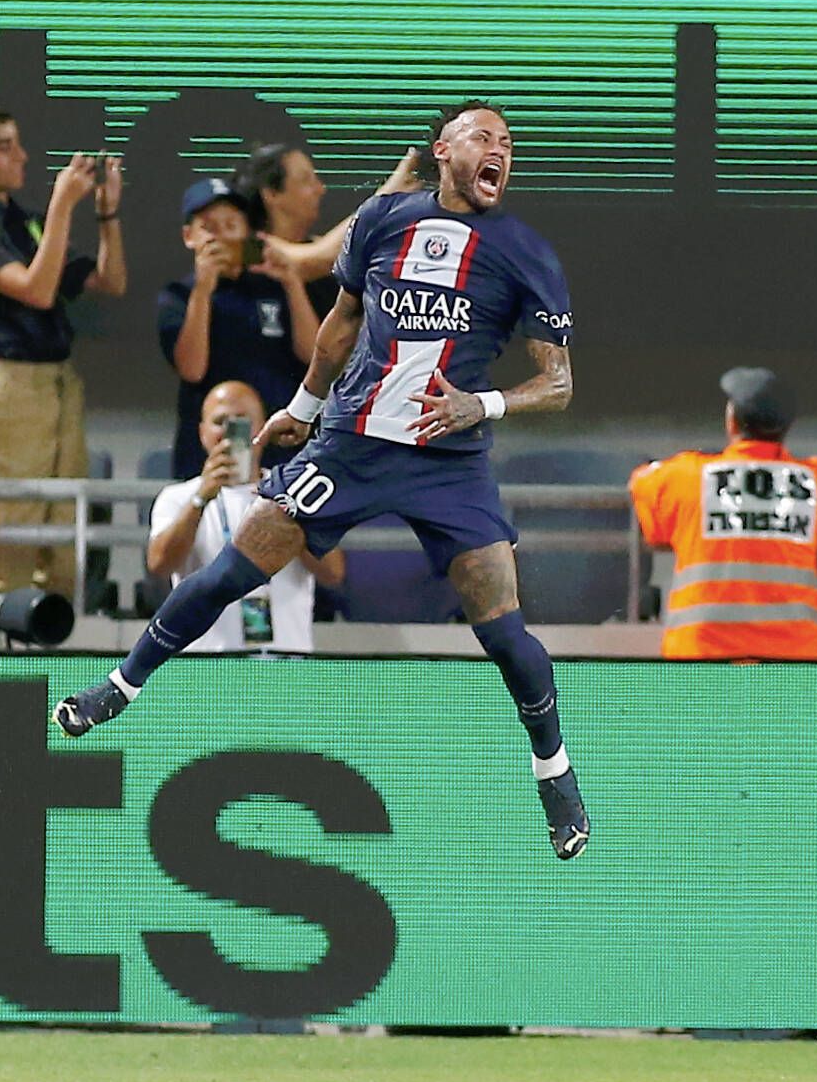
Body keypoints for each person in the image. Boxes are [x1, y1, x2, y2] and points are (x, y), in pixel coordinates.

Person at [56, 100, 592, 861]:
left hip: (450, 459)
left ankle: (555, 772)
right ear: (444, 149)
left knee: (506, 635)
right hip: (351, 444)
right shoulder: (382, 219)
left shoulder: (525, 251)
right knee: (232, 567)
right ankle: (120, 684)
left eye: (508, 140)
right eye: (483, 136)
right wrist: (303, 410)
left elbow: (560, 383)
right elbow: (341, 321)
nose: (499, 148)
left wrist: (485, 402)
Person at [0, 98, 127, 595]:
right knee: (9, 527)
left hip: (61, 383)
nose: (21, 156)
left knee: (65, 528)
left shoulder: (28, 221)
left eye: (19, 144)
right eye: (4, 147)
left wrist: (107, 214)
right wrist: (64, 203)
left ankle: (59, 640)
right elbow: (37, 290)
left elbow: (110, 281)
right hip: (13, 388)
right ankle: (0, 638)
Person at [629, 368, 817, 660]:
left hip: (701, 657)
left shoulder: (687, 476)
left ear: (732, 422)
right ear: (786, 427)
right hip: (796, 657)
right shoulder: (814, 480)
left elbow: (641, 484)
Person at [147, 381, 344, 653]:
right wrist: (201, 499)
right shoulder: (178, 497)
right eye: (220, 421)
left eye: (241, 421)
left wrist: (287, 511)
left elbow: (333, 573)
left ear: (263, 428)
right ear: (202, 433)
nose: (229, 431)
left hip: (285, 661)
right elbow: (159, 565)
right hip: (204, 662)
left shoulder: (290, 491)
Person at [159, 176, 320, 478]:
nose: (222, 236)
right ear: (189, 236)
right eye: (209, 226)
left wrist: (293, 284)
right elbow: (192, 368)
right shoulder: (178, 296)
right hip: (209, 454)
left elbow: (313, 355)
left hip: (281, 448)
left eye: (231, 224)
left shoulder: (272, 287)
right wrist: (203, 291)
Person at [242, 143, 423, 304]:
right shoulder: (248, 247)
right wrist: (386, 196)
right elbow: (317, 259)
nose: (320, 190)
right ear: (272, 194)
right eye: (306, 180)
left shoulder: (318, 248)